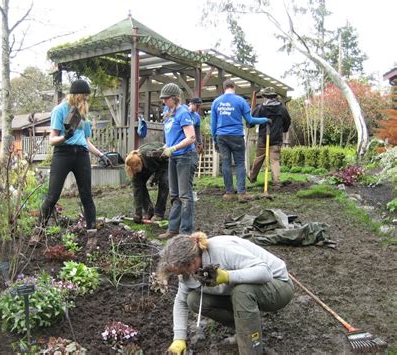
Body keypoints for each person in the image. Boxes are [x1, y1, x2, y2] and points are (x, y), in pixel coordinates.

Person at [157, 232, 294, 354]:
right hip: (242, 292)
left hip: (278, 286)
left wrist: (227, 276)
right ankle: (245, 331)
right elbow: (181, 301)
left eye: (183, 272)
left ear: (192, 261)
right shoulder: (188, 271)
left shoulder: (222, 250)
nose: (183, 276)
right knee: (194, 300)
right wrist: (179, 338)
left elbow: (265, 273)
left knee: (242, 292)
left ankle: (252, 350)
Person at [36, 79, 111, 241]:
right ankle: (38, 231)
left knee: (86, 195)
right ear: (74, 95)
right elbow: (52, 140)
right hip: (63, 154)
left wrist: (101, 155)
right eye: (83, 96)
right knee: (53, 195)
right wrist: (65, 136)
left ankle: (92, 232)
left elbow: (86, 141)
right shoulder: (60, 110)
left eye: (86, 97)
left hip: (81, 155)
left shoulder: (84, 115)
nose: (85, 100)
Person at [211, 80, 270, 200]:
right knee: (239, 163)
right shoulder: (240, 101)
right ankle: (242, 193)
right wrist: (265, 119)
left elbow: (213, 124)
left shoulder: (216, 102)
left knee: (226, 163)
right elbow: (250, 120)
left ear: (224, 88)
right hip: (236, 136)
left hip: (221, 136)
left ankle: (229, 193)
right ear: (234, 87)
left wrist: (215, 139)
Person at [158, 83, 196, 239]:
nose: (163, 101)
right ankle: (173, 229)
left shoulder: (183, 113)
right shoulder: (168, 112)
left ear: (174, 98)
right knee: (174, 194)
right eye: (163, 99)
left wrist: (173, 149)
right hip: (173, 157)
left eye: (166, 98)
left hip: (185, 157)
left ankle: (186, 232)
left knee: (185, 195)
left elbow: (191, 137)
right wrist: (165, 147)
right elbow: (172, 137)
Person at [249, 87, 291, 186]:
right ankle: (276, 181)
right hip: (276, 138)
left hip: (263, 138)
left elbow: (251, 121)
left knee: (259, 158)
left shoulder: (261, 108)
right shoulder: (282, 108)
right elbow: (287, 121)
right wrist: (283, 129)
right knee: (275, 160)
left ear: (264, 96)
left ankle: (252, 177)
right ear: (275, 96)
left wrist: (250, 124)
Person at [124, 141, 169, 223]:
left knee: (164, 183)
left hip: (165, 161)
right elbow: (137, 191)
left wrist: (156, 177)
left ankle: (159, 213)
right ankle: (149, 211)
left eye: (137, 169)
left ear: (140, 163)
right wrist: (138, 213)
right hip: (151, 165)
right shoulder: (134, 170)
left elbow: (164, 161)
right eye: (134, 171)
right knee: (139, 185)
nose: (136, 172)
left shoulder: (150, 154)